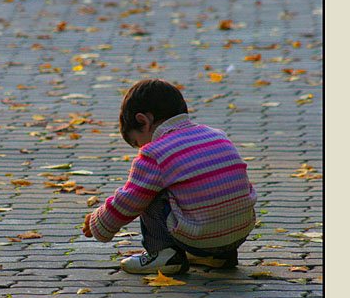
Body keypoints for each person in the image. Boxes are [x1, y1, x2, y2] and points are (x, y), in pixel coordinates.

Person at [82, 78, 257, 275]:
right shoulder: (217, 135)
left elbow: (129, 200)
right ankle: (218, 256)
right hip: (238, 232)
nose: (142, 148)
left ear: (143, 121)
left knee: (147, 189)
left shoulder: (155, 152)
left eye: (138, 142)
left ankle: (163, 254)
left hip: (200, 236)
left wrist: (99, 223)